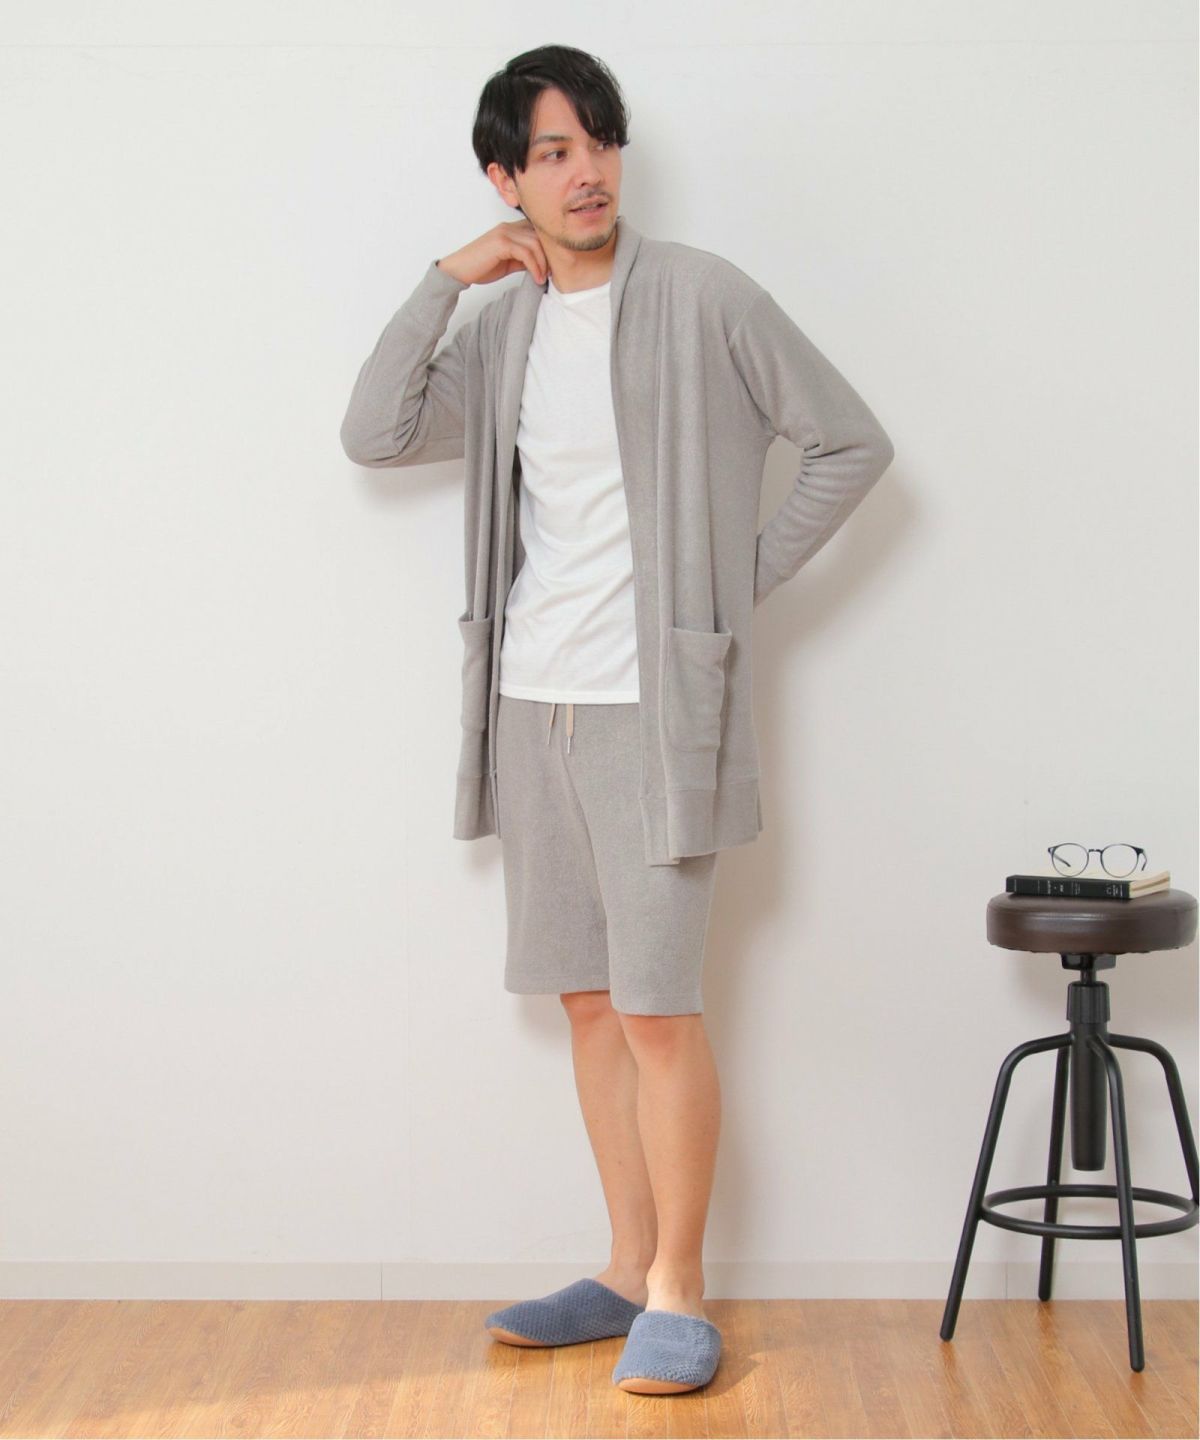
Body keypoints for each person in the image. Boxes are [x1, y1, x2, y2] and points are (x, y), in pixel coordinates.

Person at [340, 44, 895, 1395]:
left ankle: (680, 1291)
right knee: (590, 1004)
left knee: (655, 1008)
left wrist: (727, 590)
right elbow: (374, 432)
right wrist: (446, 279)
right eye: (552, 152)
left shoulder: (705, 297)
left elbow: (851, 442)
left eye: (598, 141)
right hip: (533, 706)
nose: (586, 171)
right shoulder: (504, 331)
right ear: (506, 179)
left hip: (655, 712)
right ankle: (623, 1266)